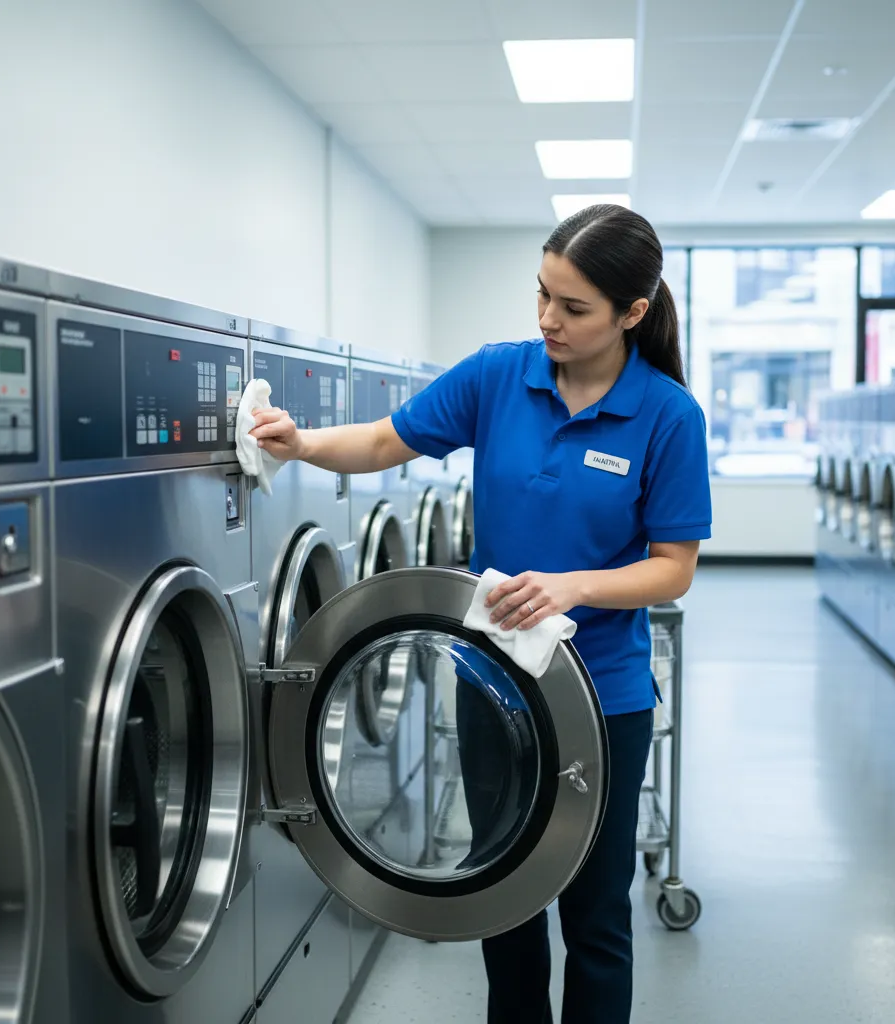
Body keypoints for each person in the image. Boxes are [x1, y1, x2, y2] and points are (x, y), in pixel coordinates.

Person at [250, 204, 712, 1024]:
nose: (548, 320)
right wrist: (302, 442)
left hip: (604, 697)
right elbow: (387, 441)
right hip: (491, 679)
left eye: (573, 308)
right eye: (542, 295)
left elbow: (672, 570)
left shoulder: (669, 416)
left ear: (632, 313)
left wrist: (574, 586)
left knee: (597, 913)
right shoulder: (500, 375)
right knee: (505, 898)